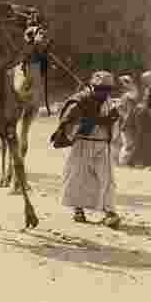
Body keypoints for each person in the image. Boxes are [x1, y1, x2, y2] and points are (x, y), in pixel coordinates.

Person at [51, 71, 122, 228]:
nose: (103, 92)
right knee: (78, 177)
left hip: (103, 144)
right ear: (92, 86)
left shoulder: (110, 103)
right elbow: (69, 123)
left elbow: (115, 125)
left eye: (107, 89)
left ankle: (110, 212)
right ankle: (78, 209)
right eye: (99, 89)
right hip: (82, 143)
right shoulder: (79, 101)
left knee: (107, 177)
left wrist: (112, 122)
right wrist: (96, 120)